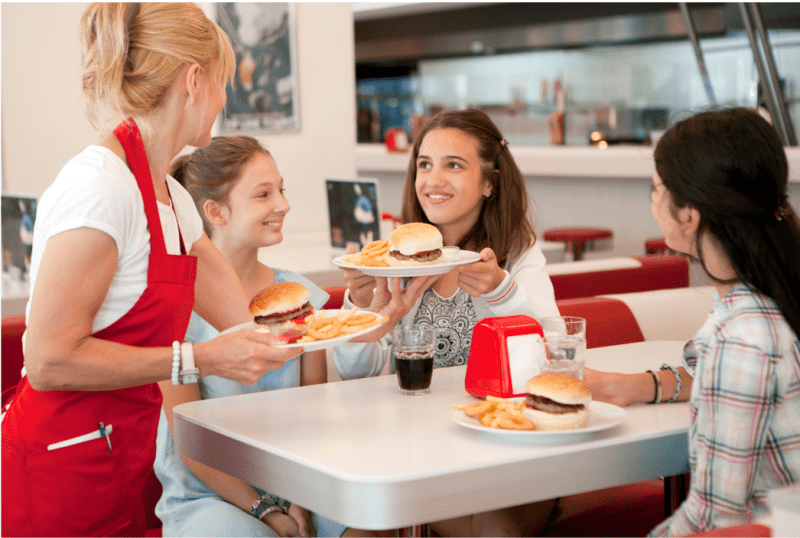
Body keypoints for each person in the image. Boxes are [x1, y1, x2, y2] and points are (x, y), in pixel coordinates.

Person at [1, 5, 301, 536]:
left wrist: (365, 316)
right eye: (222, 83)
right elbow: (47, 359)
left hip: (118, 457)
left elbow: (244, 318)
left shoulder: (173, 198)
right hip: (57, 471)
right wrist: (201, 359)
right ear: (194, 81)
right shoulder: (99, 189)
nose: (225, 99)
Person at [334, 108, 560, 536]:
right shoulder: (393, 260)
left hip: (509, 450)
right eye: (424, 164)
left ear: (490, 182)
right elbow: (355, 372)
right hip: (417, 449)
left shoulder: (518, 255)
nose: (433, 181)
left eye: (454, 165)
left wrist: (500, 292)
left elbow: (552, 354)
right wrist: (365, 312)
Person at [583, 107, 800, 536]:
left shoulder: (743, 336)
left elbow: (716, 519)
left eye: (656, 189)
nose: (652, 200)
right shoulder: (775, 297)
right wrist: (640, 385)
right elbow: (716, 373)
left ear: (688, 216)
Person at [156, 136, 375, 537]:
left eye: (281, 190)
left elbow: (314, 414)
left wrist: (298, 496)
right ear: (215, 211)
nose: (283, 205)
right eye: (263, 194)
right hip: (209, 492)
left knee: (368, 523)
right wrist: (266, 512)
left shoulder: (300, 296)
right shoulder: (174, 308)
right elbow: (189, 445)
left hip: (291, 482)